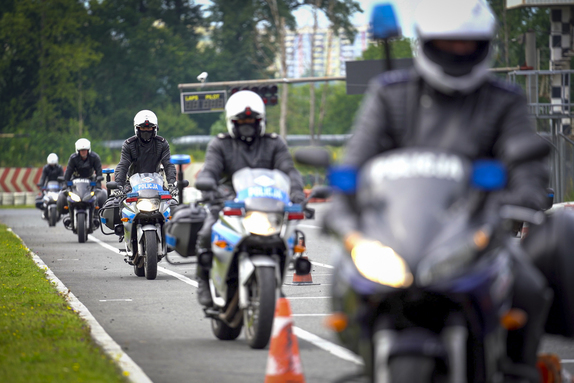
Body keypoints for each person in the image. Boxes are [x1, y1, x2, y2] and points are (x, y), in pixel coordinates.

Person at [327, 1, 552, 382]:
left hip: (476, 230)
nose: (458, 51)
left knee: (530, 287)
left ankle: (520, 368)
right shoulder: (390, 94)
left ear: (485, 44)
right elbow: (356, 161)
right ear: (427, 42)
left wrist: (521, 199)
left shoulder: (504, 99)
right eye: (447, 42)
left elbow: (527, 166)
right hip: (400, 232)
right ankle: (367, 359)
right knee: (346, 279)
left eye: (468, 43)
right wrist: (343, 206)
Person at [194, 90, 306, 306]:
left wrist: (297, 194)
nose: (247, 126)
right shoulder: (220, 144)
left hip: (268, 205)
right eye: (242, 121)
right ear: (231, 122)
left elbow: (289, 171)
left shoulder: (274, 143)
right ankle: (203, 282)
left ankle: (275, 284)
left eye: (252, 121)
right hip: (229, 202)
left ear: (260, 121)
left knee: (292, 236)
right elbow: (209, 172)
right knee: (207, 233)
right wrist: (211, 191)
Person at [114, 110, 177, 196]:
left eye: (149, 128)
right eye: (143, 128)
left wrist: (172, 184)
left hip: (156, 185)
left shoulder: (162, 143)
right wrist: (118, 185)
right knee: (116, 204)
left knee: (173, 204)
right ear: (137, 129)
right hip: (133, 186)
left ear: (154, 129)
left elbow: (168, 164)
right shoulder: (129, 144)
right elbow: (123, 165)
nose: (146, 131)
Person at [57, 138, 107, 218]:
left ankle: (97, 212)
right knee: (63, 194)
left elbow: (98, 171)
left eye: (85, 150)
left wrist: (98, 182)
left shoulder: (95, 157)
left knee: (101, 194)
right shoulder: (73, 158)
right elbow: (68, 171)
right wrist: (65, 183)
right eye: (81, 150)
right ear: (78, 151)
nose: (83, 152)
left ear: (88, 150)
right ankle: (69, 211)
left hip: (90, 179)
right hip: (75, 180)